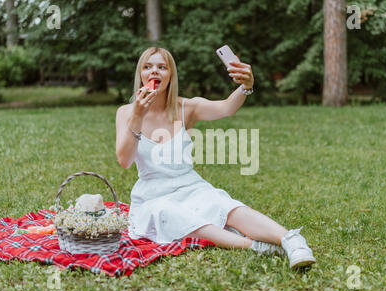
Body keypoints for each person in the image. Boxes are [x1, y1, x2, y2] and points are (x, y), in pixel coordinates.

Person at [115, 47, 316, 269]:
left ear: (170, 75)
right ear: (140, 74)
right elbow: (124, 160)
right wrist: (137, 117)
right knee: (170, 213)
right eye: (148, 66)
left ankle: (292, 240)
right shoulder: (126, 112)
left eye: (162, 67)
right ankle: (253, 246)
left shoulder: (186, 108)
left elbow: (227, 108)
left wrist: (245, 86)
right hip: (153, 196)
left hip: (190, 186)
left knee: (225, 206)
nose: (154, 72)